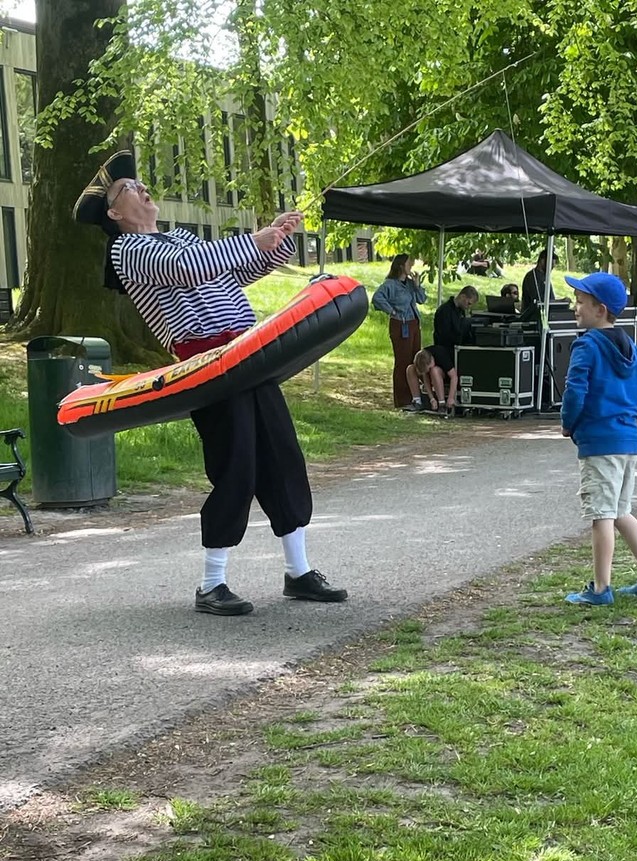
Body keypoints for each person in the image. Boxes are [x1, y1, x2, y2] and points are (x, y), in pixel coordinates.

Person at [73, 150, 347, 616]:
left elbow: (236, 270)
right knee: (235, 462)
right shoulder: (129, 251)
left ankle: (298, 572)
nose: (141, 188)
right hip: (208, 367)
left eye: (138, 183)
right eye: (127, 189)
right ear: (115, 214)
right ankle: (211, 583)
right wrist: (254, 239)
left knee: (281, 456)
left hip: (250, 354)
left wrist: (276, 240)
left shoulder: (180, 238)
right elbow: (190, 266)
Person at [560, 272, 637, 606]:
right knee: (621, 511)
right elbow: (635, 393)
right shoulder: (632, 350)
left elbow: (575, 390)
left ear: (601, 310)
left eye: (581, 302)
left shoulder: (586, 345)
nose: (575, 307)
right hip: (627, 440)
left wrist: (568, 424)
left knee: (602, 515)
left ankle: (600, 589)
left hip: (600, 442)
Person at [371, 254, 427, 408]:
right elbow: (377, 298)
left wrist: (417, 285)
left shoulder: (410, 283)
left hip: (414, 323)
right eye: (409, 264)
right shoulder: (390, 284)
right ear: (401, 266)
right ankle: (402, 399)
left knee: (415, 359)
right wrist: (392, 311)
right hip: (401, 324)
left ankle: (415, 396)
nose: (411, 266)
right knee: (403, 361)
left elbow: (422, 299)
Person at [404, 345, 457, 414]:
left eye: (428, 368)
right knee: (410, 369)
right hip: (432, 377)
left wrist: (451, 397)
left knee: (434, 370)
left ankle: (442, 404)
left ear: (432, 360)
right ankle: (417, 401)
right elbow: (425, 379)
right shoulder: (421, 357)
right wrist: (432, 399)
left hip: (443, 375)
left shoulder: (441, 355)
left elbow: (454, 377)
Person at [432, 285, 478, 364]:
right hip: (445, 353)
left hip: (455, 350)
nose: (468, 307)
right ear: (462, 297)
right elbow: (444, 336)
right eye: (468, 303)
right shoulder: (444, 311)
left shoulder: (460, 311)